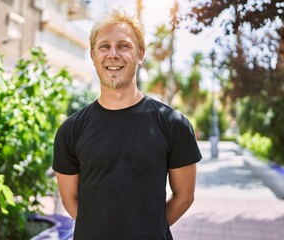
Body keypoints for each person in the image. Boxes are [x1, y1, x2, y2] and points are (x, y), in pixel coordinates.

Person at [53, 8, 202, 240]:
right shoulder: (70, 131)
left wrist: (148, 230)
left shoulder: (174, 124)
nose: (113, 54)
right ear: (92, 55)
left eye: (124, 46)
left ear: (140, 54)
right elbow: (69, 199)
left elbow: (184, 197)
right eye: (104, 46)